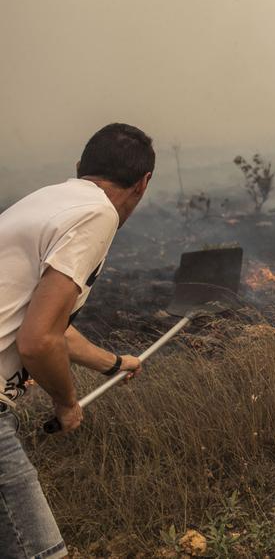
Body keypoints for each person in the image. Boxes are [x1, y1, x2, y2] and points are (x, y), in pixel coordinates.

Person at [0, 123, 154, 559]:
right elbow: (38, 339)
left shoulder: (45, 200)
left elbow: (51, 325)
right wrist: (67, 403)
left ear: (79, 168)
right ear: (143, 183)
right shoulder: (97, 213)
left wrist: (113, 362)